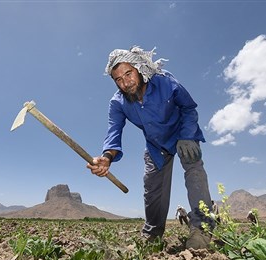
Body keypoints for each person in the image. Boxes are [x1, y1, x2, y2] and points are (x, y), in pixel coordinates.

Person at [86, 46, 215, 249]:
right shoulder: (118, 103)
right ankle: (153, 234)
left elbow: (188, 107)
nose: (125, 82)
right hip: (156, 146)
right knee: (152, 189)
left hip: (183, 136)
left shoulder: (164, 81)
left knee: (194, 173)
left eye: (128, 74)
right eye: (118, 79)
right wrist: (107, 157)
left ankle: (202, 229)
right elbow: (114, 131)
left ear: (138, 68)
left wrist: (188, 136)